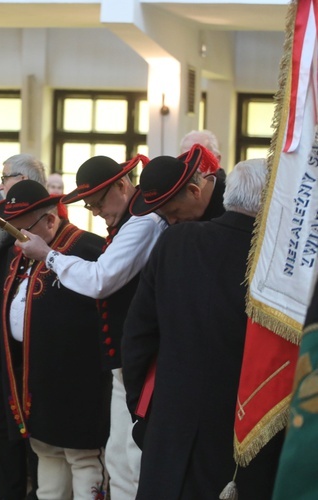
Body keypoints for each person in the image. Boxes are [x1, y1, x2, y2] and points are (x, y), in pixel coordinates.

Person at [122, 158, 283, 499]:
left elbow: (137, 336)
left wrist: (144, 412)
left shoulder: (175, 242)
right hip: (244, 437)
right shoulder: (276, 264)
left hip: (169, 426)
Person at [15, 154, 167, 500]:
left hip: (143, 361)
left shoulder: (143, 222)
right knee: (118, 457)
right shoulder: (128, 221)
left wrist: (48, 255)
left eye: (98, 203)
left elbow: (101, 280)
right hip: (124, 361)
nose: (96, 212)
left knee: (133, 456)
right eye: (90, 207)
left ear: (122, 185)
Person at [0, 180, 111, 499]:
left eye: (22, 230)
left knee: (82, 457)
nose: (18, 239)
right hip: (36, 378)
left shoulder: (88, 247)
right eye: (13, 230)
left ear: (49, 220)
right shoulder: (24, 252)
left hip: (78, 382)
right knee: (46, 454)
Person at [0, 154, 46, 500]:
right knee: (3, 433)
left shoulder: (38, 225)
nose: (0, 185)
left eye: (6, 178)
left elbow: (14, 278)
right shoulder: (4, 217)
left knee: (34, 443)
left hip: (29, 352)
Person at [130, 144, 225, 224]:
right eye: (165, 215)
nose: (171, 221)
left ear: (193, 191)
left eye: (175, 212)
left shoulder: (235, 207)